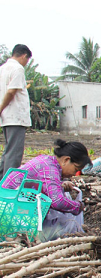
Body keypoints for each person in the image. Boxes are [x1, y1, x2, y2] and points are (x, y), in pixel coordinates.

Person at [2, 139, 91, 241]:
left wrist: (61, 185)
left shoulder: (47, 161)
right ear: (66, 160)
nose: (74, 174)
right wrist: (78, 206)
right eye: (75, 169)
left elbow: (44, 187)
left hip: (12, 205)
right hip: (11, 210)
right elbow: (58, 202)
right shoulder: (50, 169)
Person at [0, 44, 32, 178]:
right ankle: (8, 185)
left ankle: (2, 180)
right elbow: (12, 91)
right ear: (24, 56)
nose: (26, 63)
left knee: (8, 151)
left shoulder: (3, 68)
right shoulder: (18, 69)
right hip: (15, 117)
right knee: (14, 153)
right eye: (27, 60)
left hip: (7, 117)